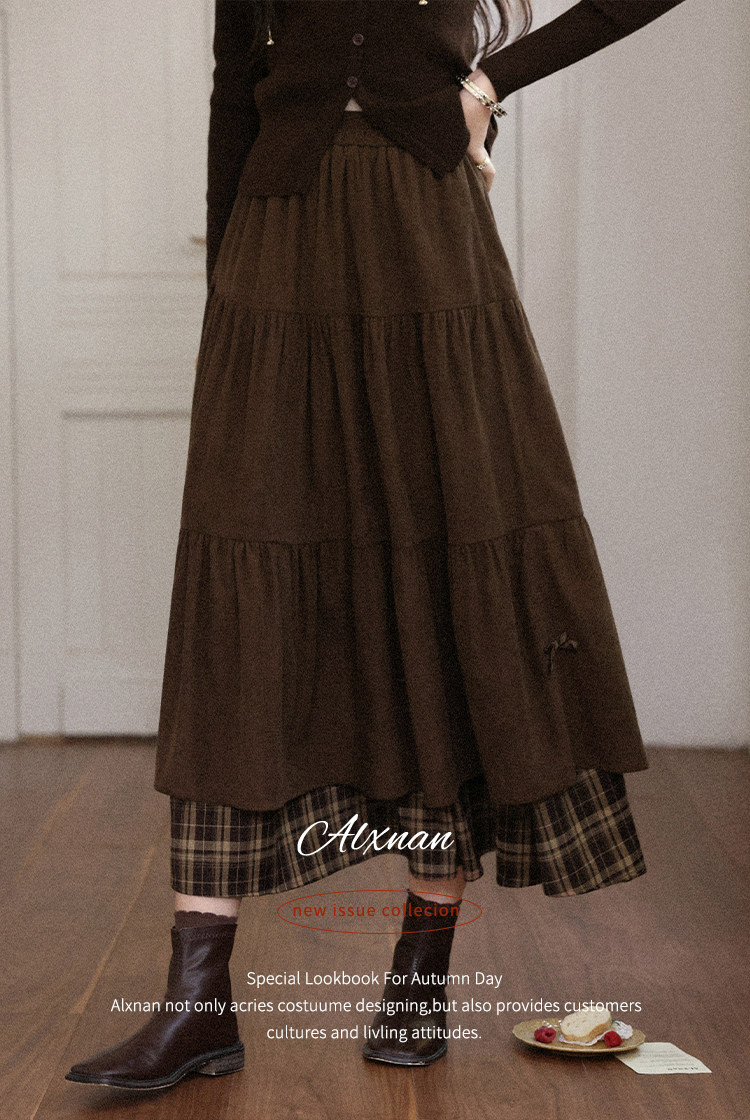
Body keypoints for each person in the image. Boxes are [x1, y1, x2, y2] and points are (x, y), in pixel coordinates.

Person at [66, 0, 688, 1091]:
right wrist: (224, 309)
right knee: (240, 597)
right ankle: (197, 999)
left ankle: (420, 973)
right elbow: (231, 100)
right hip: (276, 244)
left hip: (426, 236)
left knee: (439, 573)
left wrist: (491, 82)